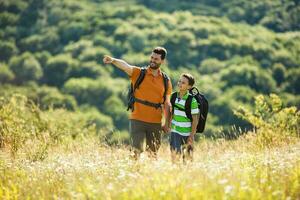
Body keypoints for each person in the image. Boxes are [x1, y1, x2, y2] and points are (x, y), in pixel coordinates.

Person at [103, 47, 172, 159]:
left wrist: (167, 123)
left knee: (153, 154)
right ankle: (133, 172)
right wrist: (113, 60)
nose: (153, 60)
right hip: (137, 119)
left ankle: (150, 175)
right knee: (136, 151)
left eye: (156, 59)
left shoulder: (166, 80)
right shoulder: (139, 73)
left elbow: (167, 104)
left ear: (162, 61)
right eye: (152, 57)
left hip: (155, 122)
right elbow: (126, 66)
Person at [167, 73, 199, 163]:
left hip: (187, 133)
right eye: (179, 81)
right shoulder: (173, 97)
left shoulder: (192, 100)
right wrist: (168, 125)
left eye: (183, 83)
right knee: (175, 157)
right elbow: (170, 113)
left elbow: (195, 120)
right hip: (175, 131)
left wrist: (191, 136)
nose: (180, 84)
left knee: (188, 160)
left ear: (189, 86)